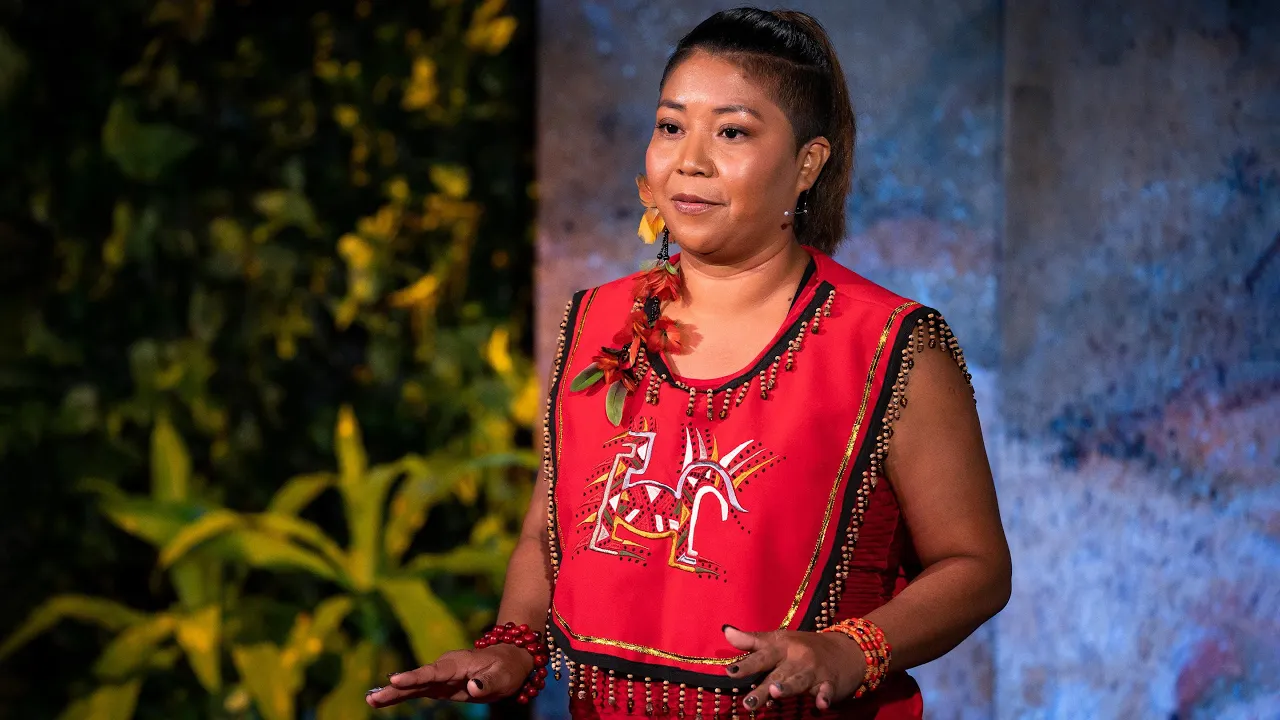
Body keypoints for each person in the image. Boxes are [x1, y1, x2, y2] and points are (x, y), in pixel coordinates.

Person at [367, 7, 1010, 718]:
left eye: (732, 132)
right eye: (671, 127)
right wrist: (515, 645)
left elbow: (976, 568)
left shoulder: (889, 343)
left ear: (807, 164)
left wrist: (848, 650)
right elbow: (549, 535)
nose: (690, 160)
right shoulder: (597, 323)